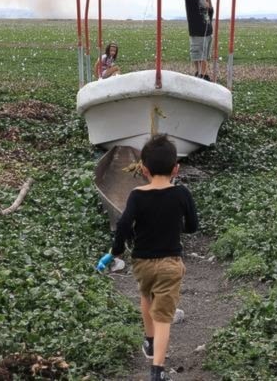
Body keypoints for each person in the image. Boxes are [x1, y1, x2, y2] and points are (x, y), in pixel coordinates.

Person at [111, 134, 199, 381]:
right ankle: (157, 372)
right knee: (164, 317)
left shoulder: (137, 195)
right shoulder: (182, 194)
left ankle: (149, 343)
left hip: (142, 263)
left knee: (146, 297)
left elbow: (124, 225)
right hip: (170, 264)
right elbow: (192, 226)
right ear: (176, 169)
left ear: (144, 169)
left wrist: (116, 250)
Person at [163, 0, 213, 80]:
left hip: (198, 32)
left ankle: (204, 77)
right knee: (198, 55)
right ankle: (199, 74)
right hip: (206, 30)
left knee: (199, 56)